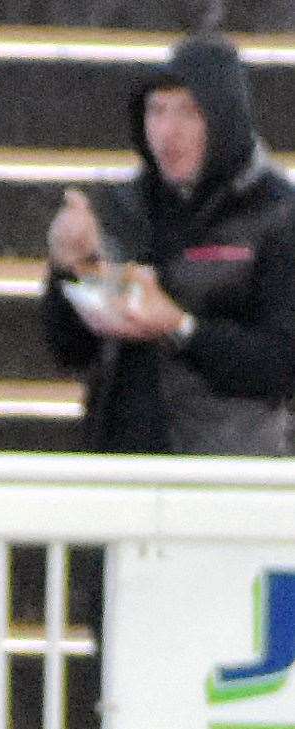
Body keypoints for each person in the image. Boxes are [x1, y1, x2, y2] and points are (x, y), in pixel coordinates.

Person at [42, 32, 295, 454]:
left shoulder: (276, 213)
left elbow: (281, 363)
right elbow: (70, 349)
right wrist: (69, 269)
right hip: (122, 459)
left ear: (225, 119)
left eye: (189, 113)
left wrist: (180, 327)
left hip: (228, 472)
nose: (167, 132)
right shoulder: (123, 207)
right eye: (156, 111)